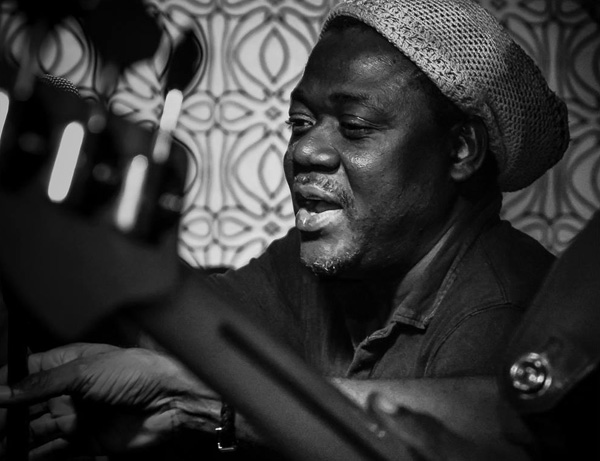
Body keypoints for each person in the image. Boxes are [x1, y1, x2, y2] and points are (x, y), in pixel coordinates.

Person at [0, 0, 570, 459]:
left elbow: (516, 428)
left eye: (354, 126)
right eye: (300, 122)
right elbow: (175, 340)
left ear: (461, 149)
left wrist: (202, 401)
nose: (305, 150)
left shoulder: (509, 307)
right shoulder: (314, 269)